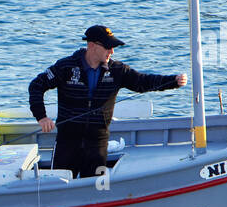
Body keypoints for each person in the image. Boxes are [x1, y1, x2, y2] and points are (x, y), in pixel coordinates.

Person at [28, 25, 187, 179]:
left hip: (97, 143)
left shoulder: (118, 70)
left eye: (113, 47)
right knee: (59, 186)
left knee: (96, 188)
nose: (112, 51)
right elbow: (36, 86)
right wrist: (42, 117)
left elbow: (143, 82)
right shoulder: (66, 66)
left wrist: (173, 81)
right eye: (108, 47)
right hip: (67, 141)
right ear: (91, 46)